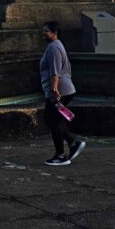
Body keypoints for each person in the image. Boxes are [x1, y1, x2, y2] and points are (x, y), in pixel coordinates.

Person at [39, 21, 85, 166]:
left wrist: (54, 89)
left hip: (60, 90)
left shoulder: (54, 48)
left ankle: (61, 155)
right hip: (62, 89)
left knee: (53, 120)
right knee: (52, 119)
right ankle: (72, 143)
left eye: (46, 31)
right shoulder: (55, 46)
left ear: (54, 32)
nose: (43, 33)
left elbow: (55, 70)